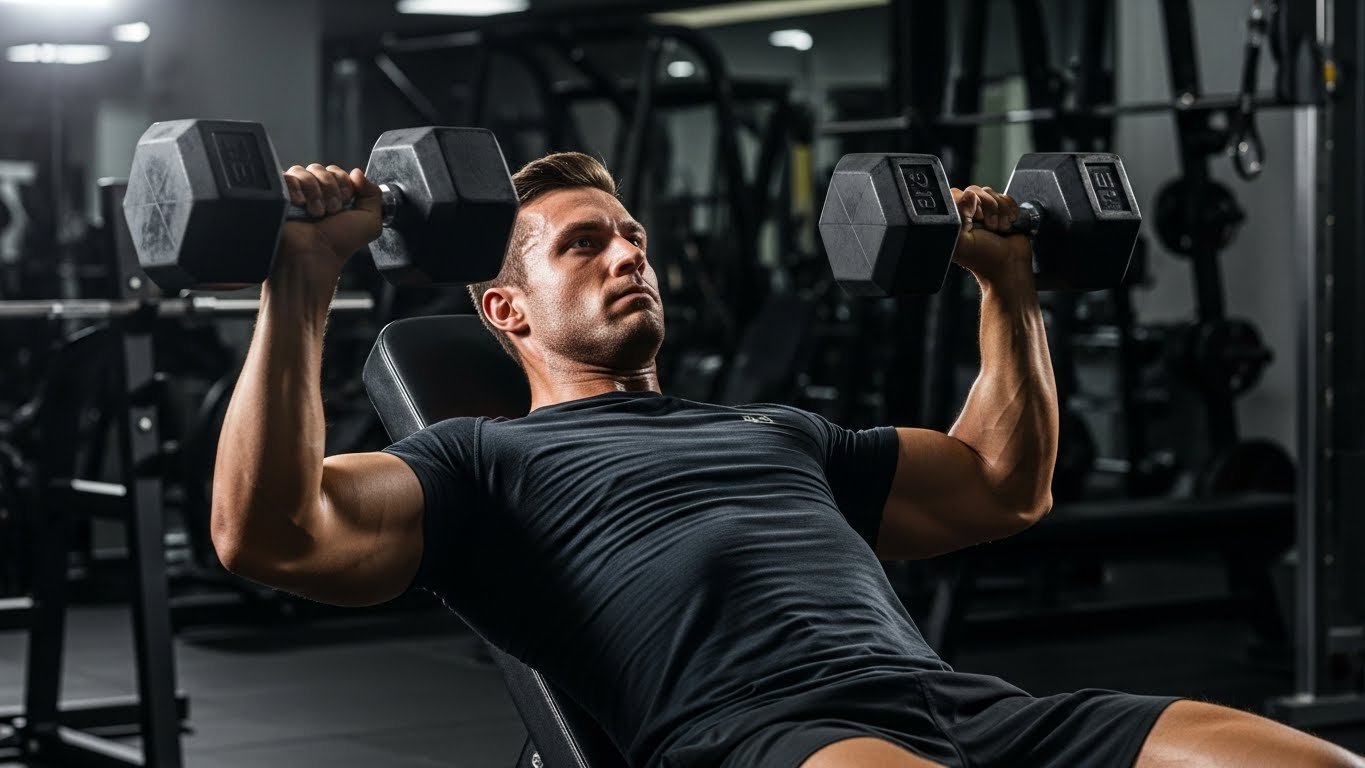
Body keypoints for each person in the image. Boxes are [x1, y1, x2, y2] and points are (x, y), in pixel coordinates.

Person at [211, 153, 1360, 768]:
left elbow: (1004, 485)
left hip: (974, 712)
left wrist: (1005, 286)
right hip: (774, 739)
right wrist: (301, 279)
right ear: (504, 306)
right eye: (585, 243)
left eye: (632, 238)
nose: (628, 256)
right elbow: (269, 533)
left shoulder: (778, 429)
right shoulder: (481, 459)